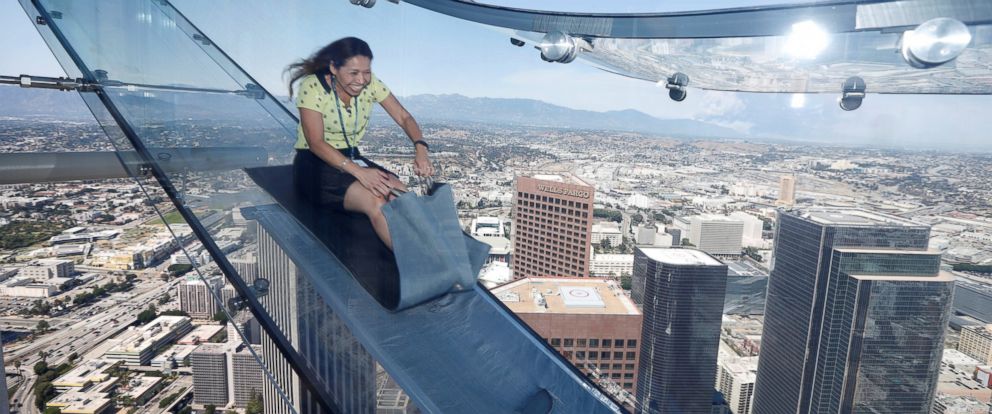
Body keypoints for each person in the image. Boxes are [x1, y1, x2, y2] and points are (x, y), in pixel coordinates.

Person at [286, 37, 433, 250]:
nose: (361, 80)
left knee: (402, 195)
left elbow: (404, 117)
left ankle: (430, 252)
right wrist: (360, 173)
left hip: (351, 157)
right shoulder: (313, 86)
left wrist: (420, 148)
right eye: (353, 73)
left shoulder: (371, 84)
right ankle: (418, 265)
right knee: (377, 202)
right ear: (334, 68)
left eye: (367, 72)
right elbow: (315, 142)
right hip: (315, 163)